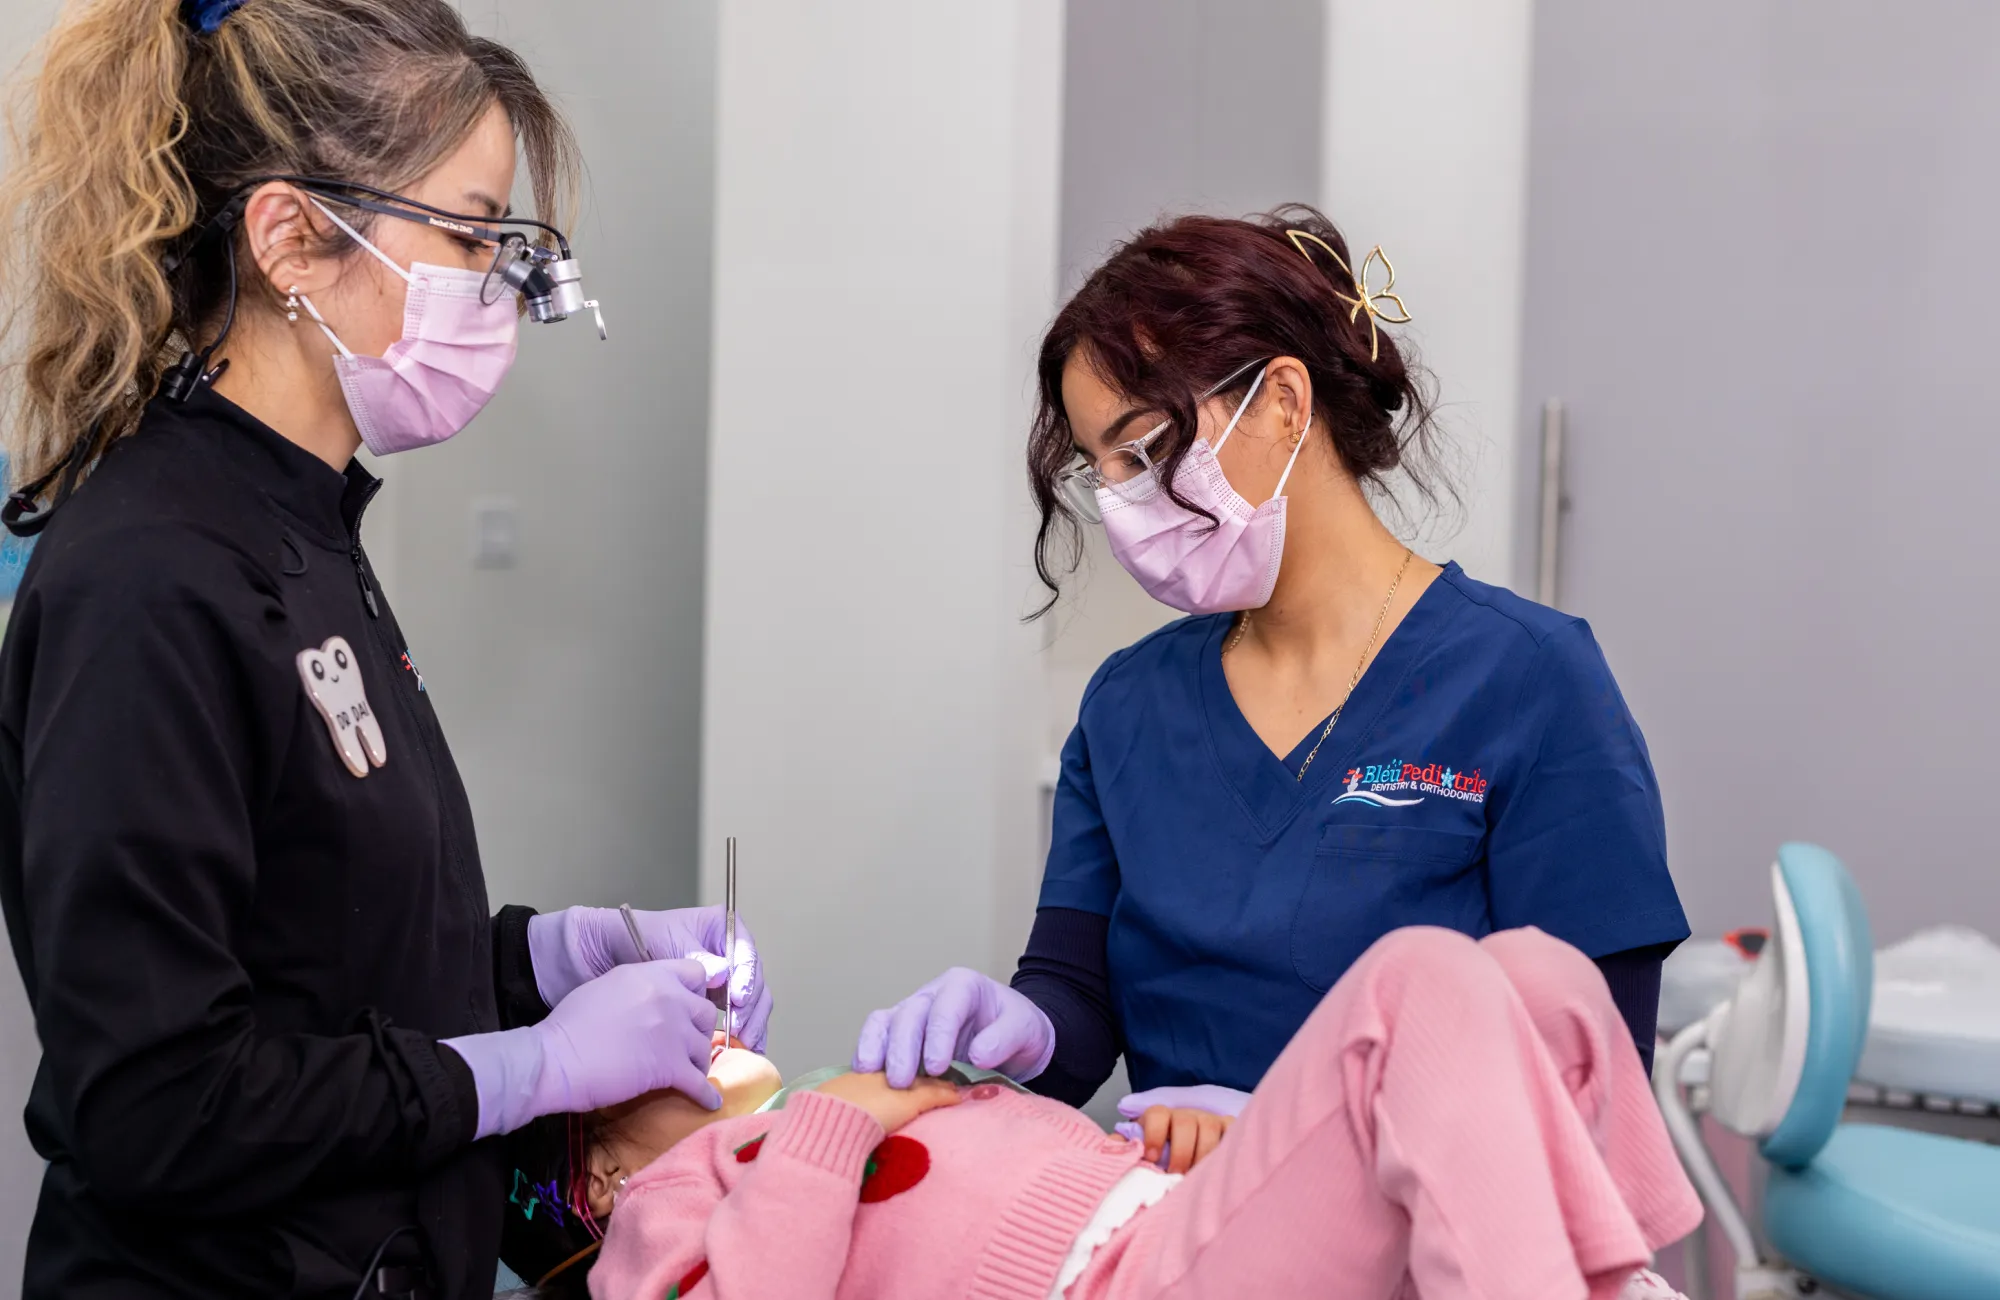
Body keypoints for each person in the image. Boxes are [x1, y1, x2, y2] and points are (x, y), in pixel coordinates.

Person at [0, 2, 769, 1296]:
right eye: (468, 234)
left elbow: (320, 953)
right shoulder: (148, 578)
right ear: (292, 236)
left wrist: (545, 957)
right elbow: (160, 1101)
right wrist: (534, 1069)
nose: (499, 286)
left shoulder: (304, 528)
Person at [856, 207, 1689, 1130]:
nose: (1125, 503)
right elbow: (1080, 1000)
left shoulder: (1530, 681)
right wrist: (1026, 1031)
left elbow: (1592, 1090)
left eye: (1144, 448)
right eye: (1101, 471)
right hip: (1171, 1236)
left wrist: (1304, 1144)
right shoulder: (1130, 704)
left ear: (1285, 403)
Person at [515, 927, 1702, 1300]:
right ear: (597, 1176)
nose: (697, 1026)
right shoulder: (667, 1208)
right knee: (1418, 980)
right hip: (1111, 1288)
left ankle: (1623, 1278)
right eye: (639, 1046)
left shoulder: (842, 1104)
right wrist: (839, 1115)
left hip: (1168, 1228)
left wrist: (1173, 1148)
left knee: (1534, 973)